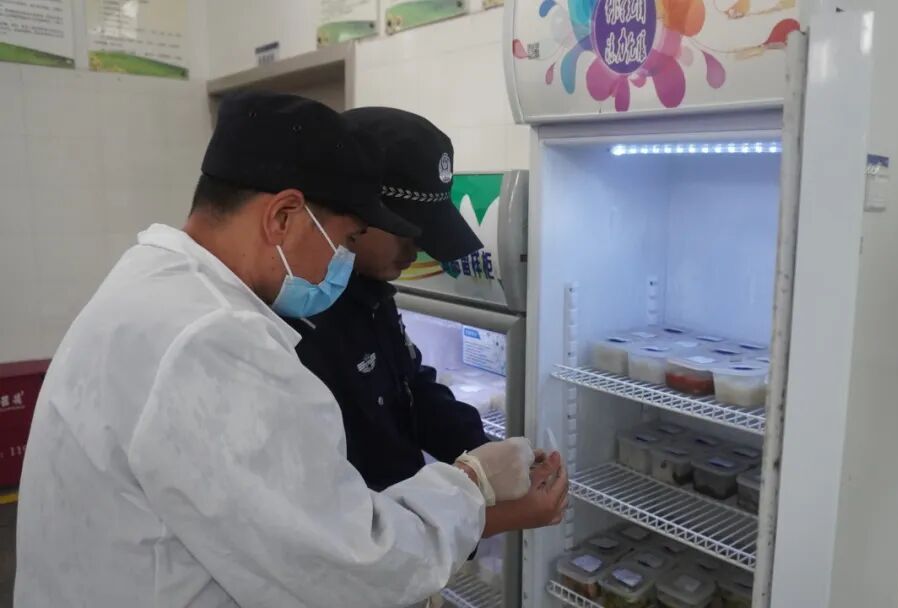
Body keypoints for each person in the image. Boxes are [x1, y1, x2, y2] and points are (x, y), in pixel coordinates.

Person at [14, 91, 552, 608]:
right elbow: (349, 563)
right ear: (282, 217)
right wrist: (472, 486)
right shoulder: (215, 340)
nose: (342, 262)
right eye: (345, 240)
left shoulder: (158, 279)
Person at [285, 108, 562, 537]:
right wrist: (484, 498)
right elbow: (343, 531)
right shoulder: (297, 317)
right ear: (355, 213)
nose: (418, 252)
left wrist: (490, 454)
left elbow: (411, 388)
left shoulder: (371, 293)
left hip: (409, 542)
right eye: (408, 233)